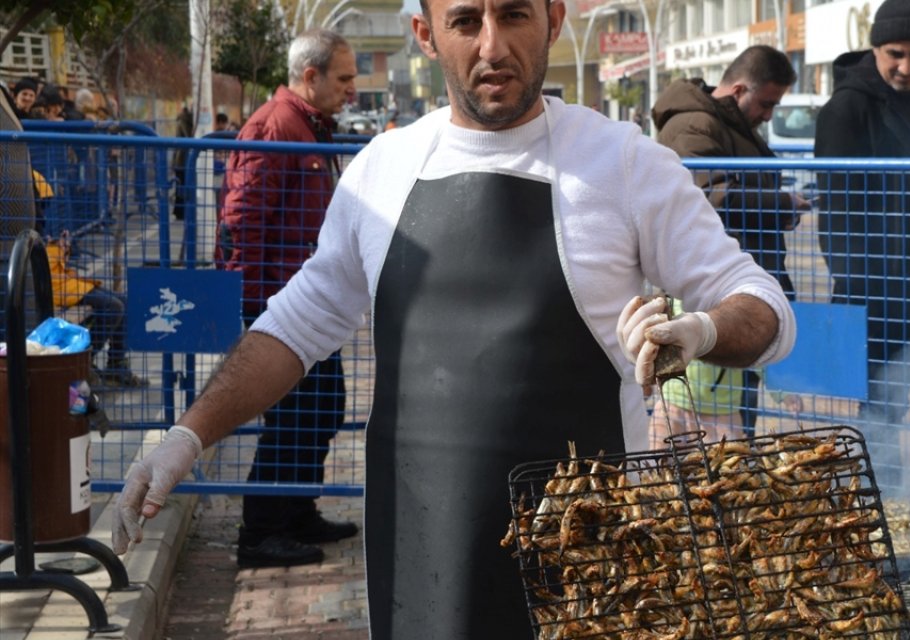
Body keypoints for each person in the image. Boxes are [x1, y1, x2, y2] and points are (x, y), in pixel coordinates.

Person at [112, 0, 795, 636]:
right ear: (426, 34)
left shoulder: (623, 164)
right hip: (417, 557)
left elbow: (761, 304)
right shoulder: (381, 172)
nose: (492, 45)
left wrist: (700, 330)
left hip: (589, 563)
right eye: (466, 20)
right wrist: (186, 437)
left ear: (554, 19)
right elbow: (295, 325)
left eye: (514, 14)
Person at [214, 29, 360, 569]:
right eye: (343, 79)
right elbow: (241, 222)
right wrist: (254, 311)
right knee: (295, 415)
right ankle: (261, 532)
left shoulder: (306, 126)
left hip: (306, 298)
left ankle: (297, 512)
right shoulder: (276, 128)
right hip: (280, 303)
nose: (351, 89)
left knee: (321, 409)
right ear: (310, 76)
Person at [813, 0, 910, 489]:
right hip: (875, 284)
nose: (906, 67)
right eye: (895, 53)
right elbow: (835, 209)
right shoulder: (846, 108)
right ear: (875, 49)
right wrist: (856, 282)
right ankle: (885, 510)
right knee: (881, 403)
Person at [650, 44, 808, 441]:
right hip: (721, 287)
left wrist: (779, 208)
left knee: (737, 417)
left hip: (741, 282)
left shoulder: (723, 126)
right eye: (767, 103)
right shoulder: (695, 126)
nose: (769, 115)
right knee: (701, 442)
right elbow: (712, 197)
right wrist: (781, 202)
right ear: (739, 90)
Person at [47, 230, 148, 386]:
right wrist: (56, 246)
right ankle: (84, 358)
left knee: (123, 301)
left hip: (64, 280)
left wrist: (60, 245)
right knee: (114, 307)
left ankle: (116, 364)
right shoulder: (22, 217)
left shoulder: (35, 214)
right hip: (55, 286)